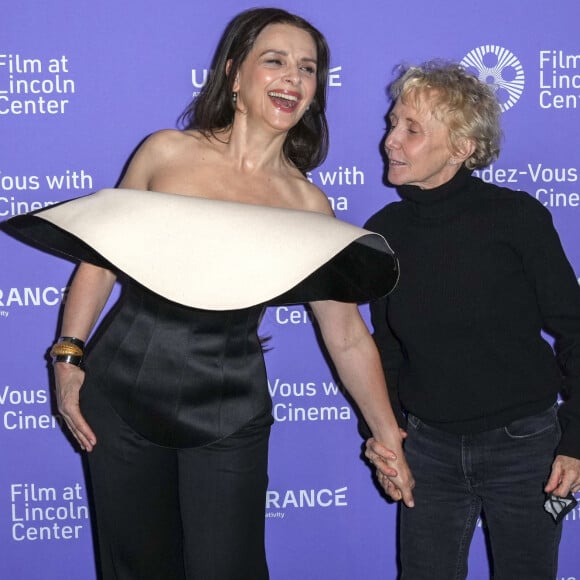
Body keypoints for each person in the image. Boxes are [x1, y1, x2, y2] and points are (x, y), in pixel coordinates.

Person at [4, 8, 413, 580]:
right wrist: (68, 356)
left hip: (229, 411)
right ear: (233, 75)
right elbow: (99, 260)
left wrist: (387, 436)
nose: (293, 78)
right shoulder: (166, 153)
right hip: (118, 398)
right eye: (274, 60)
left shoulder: (308, 205)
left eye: (308, 68)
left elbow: (345, 335)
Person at [364, 60, 580, 579]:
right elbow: (386, 350)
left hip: (525, 448)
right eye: (393, 123)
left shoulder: (518, 219)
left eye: (412, 130)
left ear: (462, 148)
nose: (392, 141)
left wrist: (575, 443)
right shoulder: (382, 232)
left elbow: (575, 331)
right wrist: (390, 439)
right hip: (427, 450)